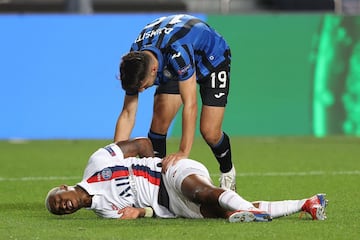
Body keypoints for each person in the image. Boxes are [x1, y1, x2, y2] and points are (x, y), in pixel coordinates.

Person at [45, 138, 328, 222]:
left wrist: (159, 160)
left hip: (169, 174)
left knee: (202, 192)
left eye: (58, 201)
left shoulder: (97, 163)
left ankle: (251, 212)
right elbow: (145, 212)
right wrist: (140, 212)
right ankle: (308, 203)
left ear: (62, 188)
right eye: (60, 210)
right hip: (171, 207)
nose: (63, 206)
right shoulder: (104, 212)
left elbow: (141, 144)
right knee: (224, 212)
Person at [114, 14, 236, 191]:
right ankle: (156, 187)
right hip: (171, 64)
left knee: (210, 132)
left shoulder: (178, 51)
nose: (140, 91)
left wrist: (182, 152)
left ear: (153, 70)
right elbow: (127, 113)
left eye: (142, 86)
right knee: (159, 122)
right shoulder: (135, 59)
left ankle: (228, 172)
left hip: (212, 60)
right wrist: (115, 159)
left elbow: (190, 104)